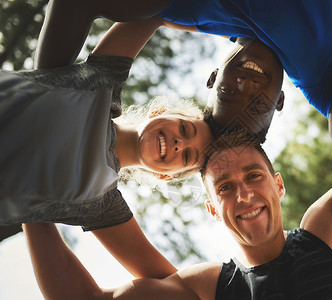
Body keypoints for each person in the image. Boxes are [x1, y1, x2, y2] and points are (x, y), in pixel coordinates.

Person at [24, 36, 332, 299]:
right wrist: (34, 205)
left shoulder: (328, 234)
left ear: (278, 185)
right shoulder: (210, 289)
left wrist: (325, 29)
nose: (243, 194)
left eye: (254, 176)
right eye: (224, 188)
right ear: (212, 208)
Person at [1, 10, 213, 280]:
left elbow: (172, 283)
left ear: (165, 176)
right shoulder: (102, 81)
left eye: (186, 157)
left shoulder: (101, 205)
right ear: (159, 111)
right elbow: (155, 14)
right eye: (184, 129)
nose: (178, 144)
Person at [34, 0, 332, 156]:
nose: (246, 87)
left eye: (228, 94)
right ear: (279, 102)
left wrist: (46, 105)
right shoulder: (324, 73)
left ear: (213, 78)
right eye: (256, 106)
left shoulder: (195, 9)